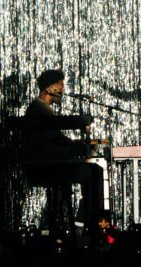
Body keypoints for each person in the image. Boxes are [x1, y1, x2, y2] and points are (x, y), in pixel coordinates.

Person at [21, 69, 102, 234]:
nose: (63, 91)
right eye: (61, 87)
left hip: (45, 164)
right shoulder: (41, 109)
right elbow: (54, 139)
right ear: (49, 88)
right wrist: (79, 146)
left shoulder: (38, 107)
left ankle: (80, 222)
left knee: (91, 169)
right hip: (47, 168)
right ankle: (85, 223)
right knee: (95, 172)